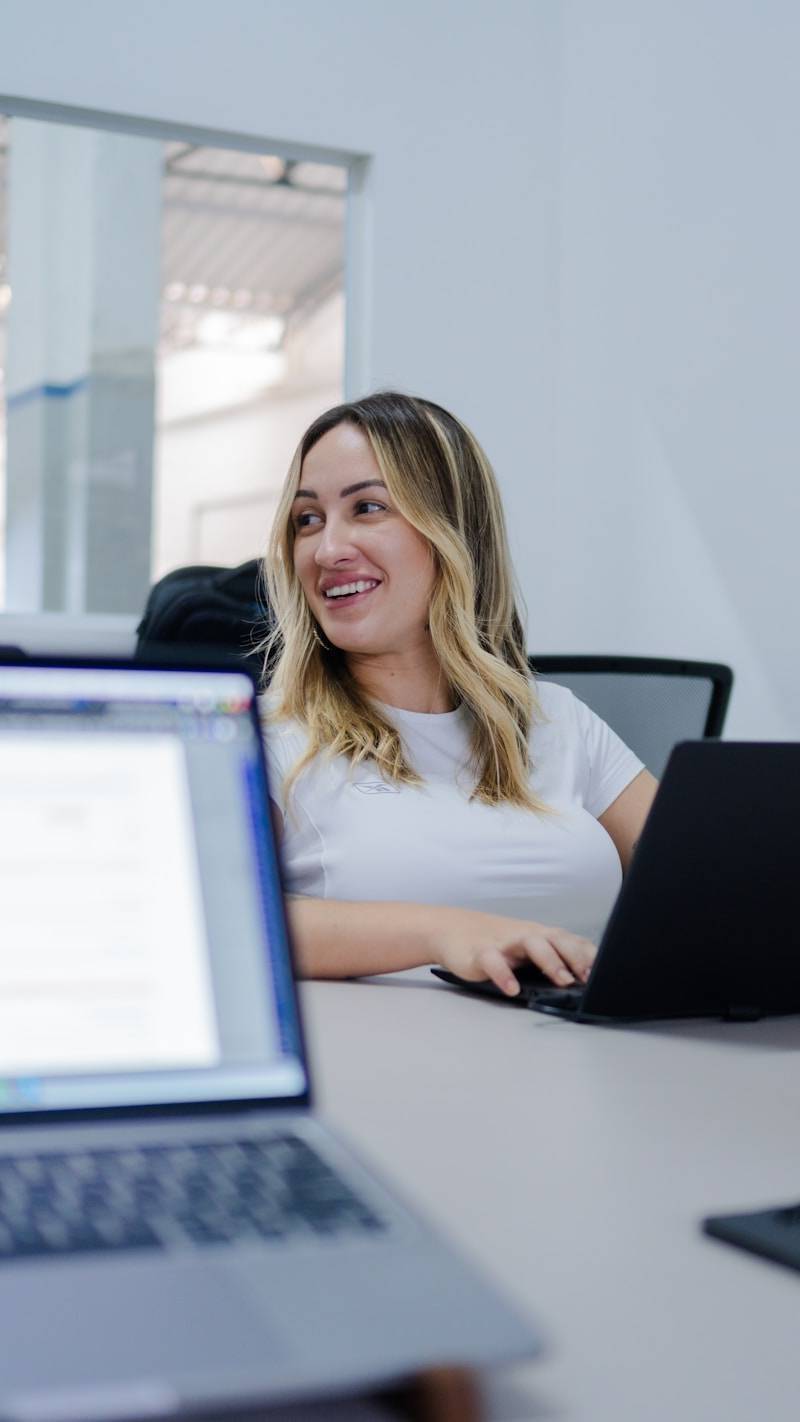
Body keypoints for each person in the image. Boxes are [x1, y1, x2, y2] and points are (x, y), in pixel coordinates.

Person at [261, 391, 658, 997]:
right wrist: (446, 932)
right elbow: (221, 918)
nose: (327, 549)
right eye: (307, 520)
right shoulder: (267, 739)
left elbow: (708, 887)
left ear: (454, 532)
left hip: (588, 1068)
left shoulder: (557, 720)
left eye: (367, 508)